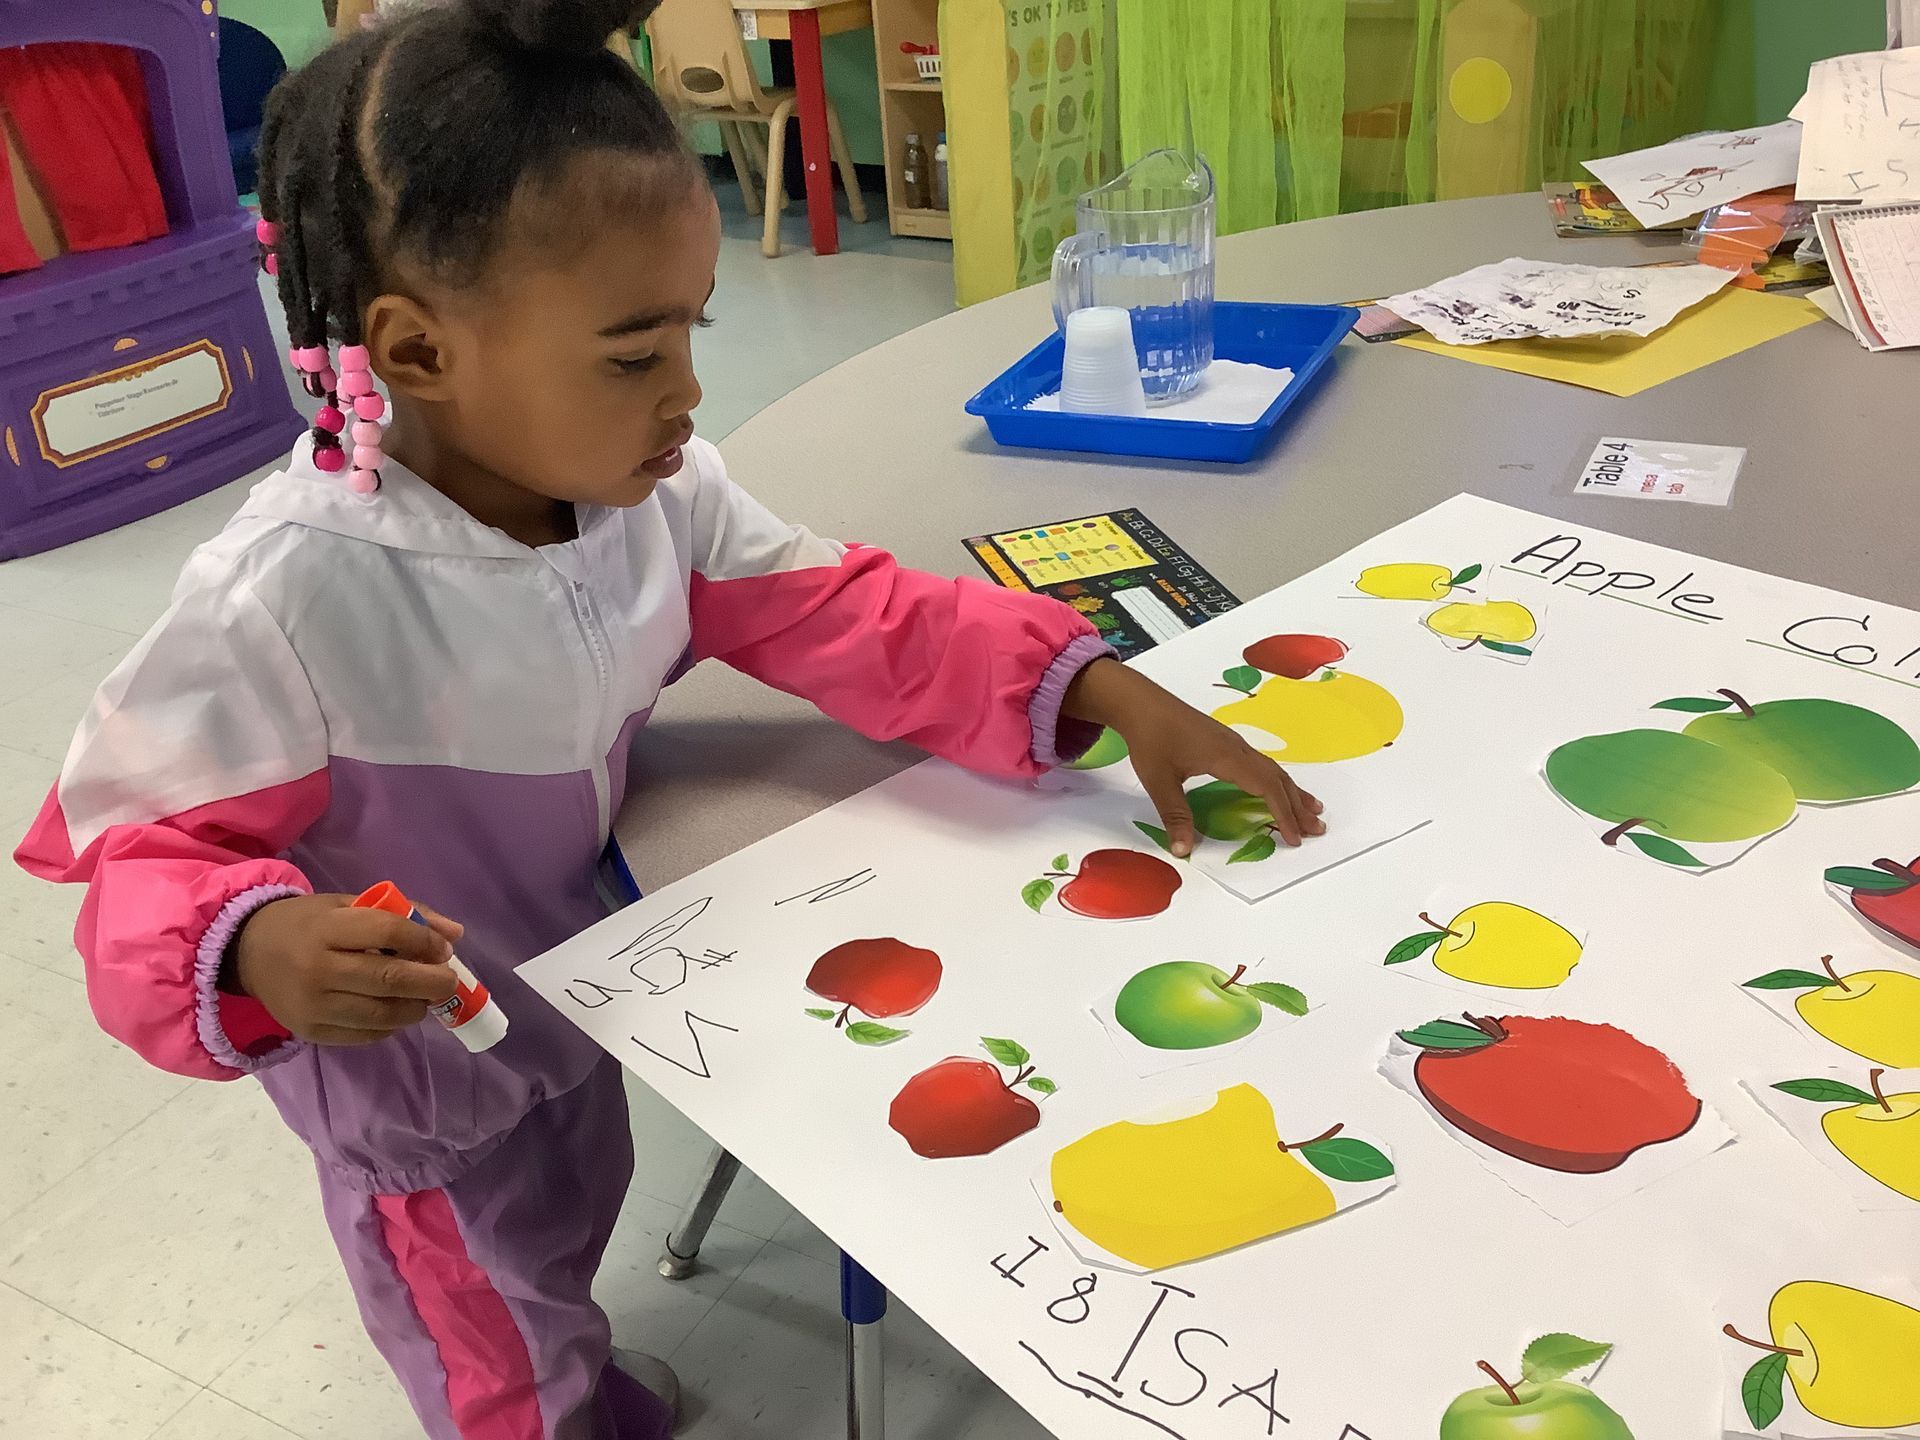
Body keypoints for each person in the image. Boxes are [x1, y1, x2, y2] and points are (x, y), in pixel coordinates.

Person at [12, 1, 1322, 1435]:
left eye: (691, 330)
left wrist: (1092, 681)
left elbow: (850, 611)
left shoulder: (659, 496)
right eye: (635, 356)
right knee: (491, 1342)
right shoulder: (280, 597)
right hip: (419, 1097)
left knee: (562, 1240)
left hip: (576, 1004)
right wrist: (250, 943)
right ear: (420, 349)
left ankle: (569, 1378)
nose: (689, 395)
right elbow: (135, 864)